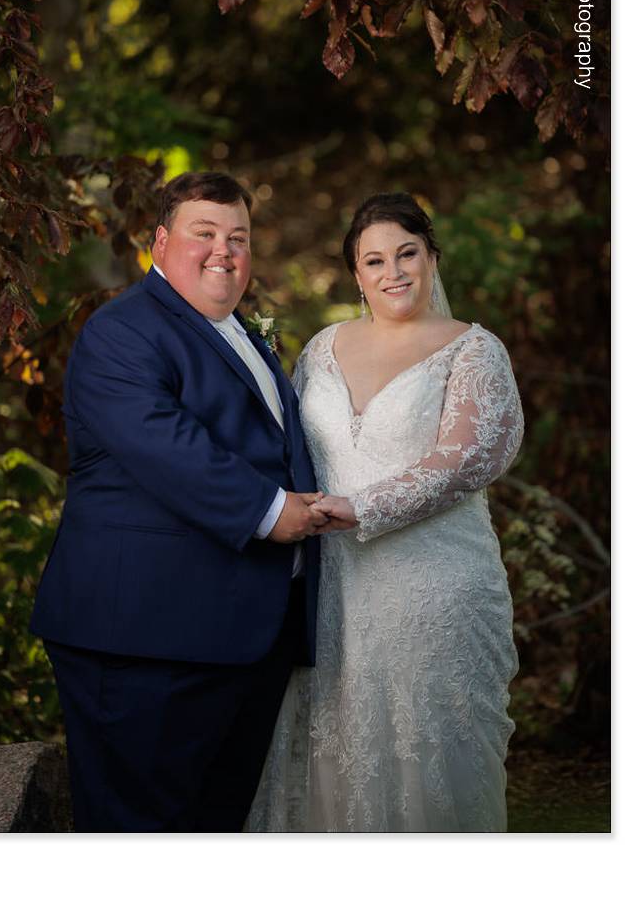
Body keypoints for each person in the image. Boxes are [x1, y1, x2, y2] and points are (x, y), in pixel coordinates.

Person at [30, 171, 350, 832]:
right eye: (203, 233)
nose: (223, 252)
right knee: (137, 835)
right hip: (144, 637)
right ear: (159, 241)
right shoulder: (122, 331)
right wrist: (274, 511)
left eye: (238, 238)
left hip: (240, 637)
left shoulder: (245, 336)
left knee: (210, 832)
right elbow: (164, 445)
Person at [246, 192, 524, 833]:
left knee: (429, 756)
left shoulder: (473, 350)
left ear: (432, 258)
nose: (393, 272)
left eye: (407, 253)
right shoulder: (322, 348)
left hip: (435, 589)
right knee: (333, 752)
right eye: (375, 261)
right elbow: (288, 448)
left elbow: (468, 458)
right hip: (335, 590)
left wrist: (362, 506)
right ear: (357, 274)